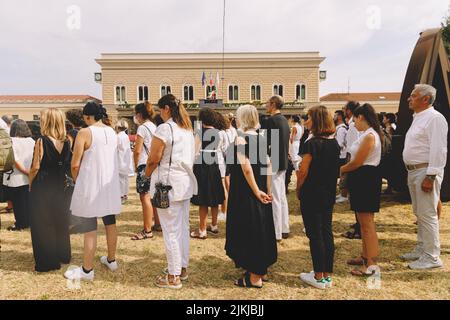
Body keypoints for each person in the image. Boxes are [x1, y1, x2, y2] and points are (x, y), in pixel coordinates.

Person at [64, 102, 121, 281]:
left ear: (87, 117)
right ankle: (111, 260)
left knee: (90, 228)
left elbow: (74, 164)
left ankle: (87, 270)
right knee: (110, 223)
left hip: (90, 185)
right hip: (109, 186)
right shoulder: (112, 132)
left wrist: (77, 180)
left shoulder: (84, 132)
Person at [145, 94, 196, 289]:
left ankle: (173, 276)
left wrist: (146, 175)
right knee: (181, 228)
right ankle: (181, 268)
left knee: (171, 231)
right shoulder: (187, 129)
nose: (159, 113)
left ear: (166, 108)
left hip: (168, 184)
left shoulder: (165, 128)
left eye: (159, 110)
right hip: (184, 183)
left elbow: (153, 158)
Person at [225, 104, 277, 288]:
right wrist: (268, 190)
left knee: (250, 230)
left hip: (247, 191)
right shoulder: (261, 138)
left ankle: (255, 277)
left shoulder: (240, 139)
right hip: (261, 189)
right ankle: (259, 270)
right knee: (261, 228)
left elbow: (246, 167)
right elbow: (269, 165)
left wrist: (256, 191)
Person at [401, 84, 447, 270]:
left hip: (425, 171)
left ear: (425, 99)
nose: (409, 99)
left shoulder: (434, 118)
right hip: (415, 171)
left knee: (427, 214)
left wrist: (431, 175)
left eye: (413, 96)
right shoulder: (419, 117)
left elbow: (439, 148)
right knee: (420, 213)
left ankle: (432, 256)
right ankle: (422, 248)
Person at [296, 106, 339, 289]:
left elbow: (303, 171)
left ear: (317, 121)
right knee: (326, 231)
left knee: (315, 233)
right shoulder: (334, 143)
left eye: (309, 118)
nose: (306, 121)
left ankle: (318, 275)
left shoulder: (311, 144)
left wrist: (298, 188)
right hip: (328, 192)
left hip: (312, 192)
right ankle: (327, 274)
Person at [341, 103, 382, 276]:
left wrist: (340, 170)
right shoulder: (366, 134)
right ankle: (365, 255)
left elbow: (358, 162)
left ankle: (371, 264)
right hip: (362, 179)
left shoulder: (370, 136)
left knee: (367, 225)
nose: (353, 123)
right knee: (363, 222)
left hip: (366, 179)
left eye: (354, 119)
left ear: (361, 117)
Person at [29, 108, 72, 272]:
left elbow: (35, 167)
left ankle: (48, 261)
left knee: (43, 223)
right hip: (60, 186)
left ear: (46, 121)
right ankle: (63, 254)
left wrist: (30, 183)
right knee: (60, 221)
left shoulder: (41, 140)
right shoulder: (67, 141)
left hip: (43, 185)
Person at [191, 108, 225, 239]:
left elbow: (194, 151)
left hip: (203, 164)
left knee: (203, 199)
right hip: (214, 164)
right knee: (214, 196)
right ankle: (214, 225)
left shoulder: (199, 133)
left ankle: (202, 229)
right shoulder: (219, 133)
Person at [262, 95, 290, 241]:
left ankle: (277, 232)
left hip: (274, 162)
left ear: (273, 104)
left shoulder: (272, 121)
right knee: (282, 197)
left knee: (276, 197)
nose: (266, 105)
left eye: (267, 103)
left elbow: (266, 143)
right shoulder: (284, 120)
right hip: (282, 161)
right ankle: (284, 227)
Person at [132, 102, 160, 240]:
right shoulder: (154, 127)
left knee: (144, 196)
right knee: (153, 196)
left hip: (144, 163)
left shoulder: (142, 128)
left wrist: (135, 165)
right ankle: (157, 224)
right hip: (154, 164)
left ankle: (147, 229)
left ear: (139, 114)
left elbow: (137, 150)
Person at [3, 120, 35, 231]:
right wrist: (31, 173)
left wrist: (25, 171)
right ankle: (29, 222)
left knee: (18, 203)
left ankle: (20, 224)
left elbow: (15, 160)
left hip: (16, 177)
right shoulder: (32, 140)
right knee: (28, 201)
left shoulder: (11, 141)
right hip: (31, 176)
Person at [341, 101, 362, 239]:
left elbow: (352, 148)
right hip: (355, 162)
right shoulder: (353, 124)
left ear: (349, 110)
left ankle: (359, 228)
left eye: (344, 108)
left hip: (354, 163)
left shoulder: (354, 125)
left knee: (356, 198)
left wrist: (346, 169)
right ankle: (358, 224)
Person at [115, 119, 134, 204]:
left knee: (120, 179)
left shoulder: (118, 136)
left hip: (120, 159)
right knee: (125, 178)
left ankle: (121, 195)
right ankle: (125, 194)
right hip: (126, 159)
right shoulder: (126, 136)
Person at [334, 110, 348, 203]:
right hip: (340, 155)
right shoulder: (339, 128)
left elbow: (339, 144)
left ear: (339, 116)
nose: (333, 117)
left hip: (341, 155)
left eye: (335, 115)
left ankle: (344, 195)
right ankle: (342, 194)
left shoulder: (341, 129)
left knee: (342, 175)